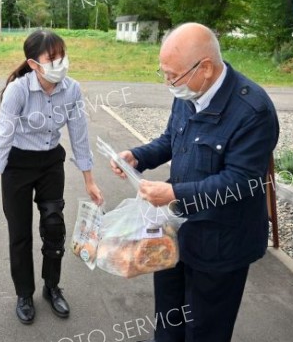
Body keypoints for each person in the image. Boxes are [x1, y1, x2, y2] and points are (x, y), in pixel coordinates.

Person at [110, 23, 279, 342]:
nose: (168, 82)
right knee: (168, 321)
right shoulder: (189, 91)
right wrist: (137, 156)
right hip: (176, 232)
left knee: (204, 329)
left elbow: (240, 183)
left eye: (172, 75)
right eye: (164, 73)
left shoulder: (253, 111)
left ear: (205, 68)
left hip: (222, 244)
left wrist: (174, 192)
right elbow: (171, 138)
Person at [0, 30, 104, 325]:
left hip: (50, 162)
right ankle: (24, 293)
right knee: (20, 234)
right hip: (18, 165)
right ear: (34, 64)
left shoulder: (71, 89)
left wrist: (90, 180)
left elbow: (79, 136)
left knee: (53, 227)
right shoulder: (18, 90)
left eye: (62, 55)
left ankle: (51, 286)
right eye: (52, 58)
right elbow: (1, 143)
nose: (60, 62)